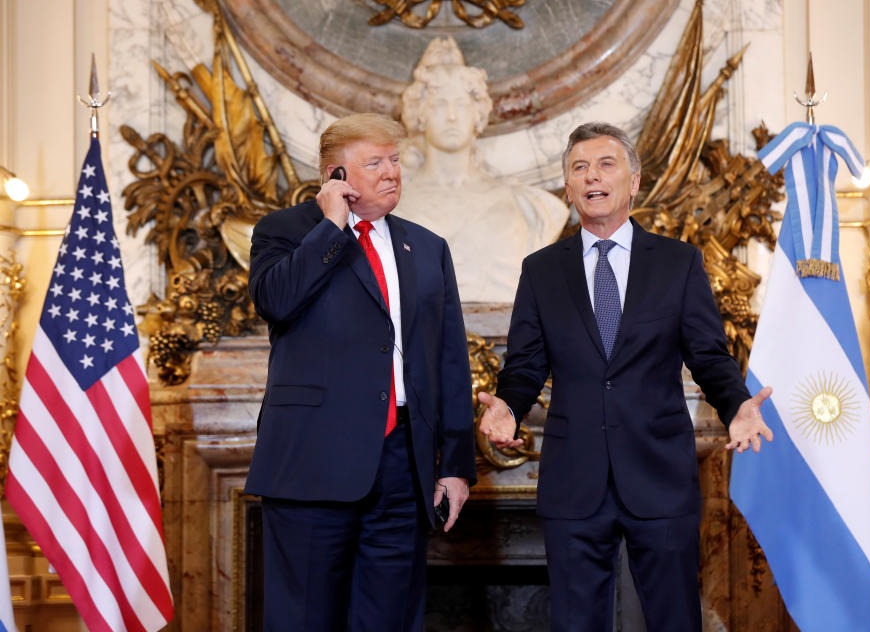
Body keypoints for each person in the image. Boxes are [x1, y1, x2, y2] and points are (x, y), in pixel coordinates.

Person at [478, 122, 773, 631]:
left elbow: (708, 355)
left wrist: (737, 405)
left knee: (674, 620)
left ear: (633, 182)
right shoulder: (541, 270)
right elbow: (526, 365)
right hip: (574, 479)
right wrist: (508, 404)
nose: (592, 176)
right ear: (568, 188)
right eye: (579, 168)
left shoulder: (679, 264)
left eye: (606, 164)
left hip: (659, 475)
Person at [245, 113, 477, 631]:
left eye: (395, 160)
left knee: (390, 619)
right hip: (311, 464)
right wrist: (332, 225)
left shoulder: (428, 248)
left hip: (401, 467)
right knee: (304, 620)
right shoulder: (284, 231)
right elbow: (277, 302)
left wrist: (456, 464)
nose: (391, 172)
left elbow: (449, 362)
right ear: (335, 176)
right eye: (374, 162)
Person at [394, 37, 569, 303]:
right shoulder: (392, 204)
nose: (452, 116)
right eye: (439, 104)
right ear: (420, 114)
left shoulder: (532, 207)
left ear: (478, 114)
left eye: (462, 104)